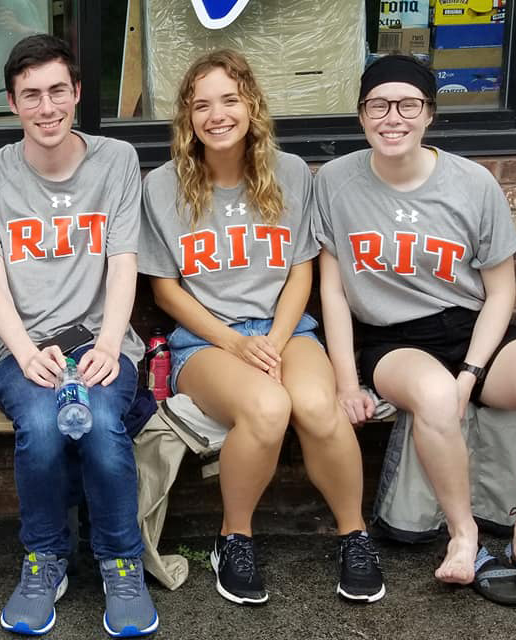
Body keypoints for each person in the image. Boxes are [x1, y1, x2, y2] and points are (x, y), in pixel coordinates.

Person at [316, 55, 516, 591]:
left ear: (430, 114)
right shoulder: (334, 181)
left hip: (469, 327)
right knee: (438, 398)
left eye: (408, 104)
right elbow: (332, 287)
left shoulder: (473, 183)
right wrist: (347, 380)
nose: (392, 117)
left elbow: (500, 290)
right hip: (391, 337)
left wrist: (471, 371)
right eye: (378, 105)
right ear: (361, 115)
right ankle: (463, 537)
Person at [139, 49, 385, 606]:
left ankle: (354, 535)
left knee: (319, 408)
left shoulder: (291, 172)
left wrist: (273, 340)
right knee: (269, 408)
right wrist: (236, 342)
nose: (217, 114)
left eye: (229, 99)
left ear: (251, 104)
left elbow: (303, 270)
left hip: (287, 331)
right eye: (202, 105)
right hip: (206, 341)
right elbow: (165, 291)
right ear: (187, 117)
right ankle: (235, 537)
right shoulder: (161, 186)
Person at [0, 34, 158, 637]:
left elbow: (124, 263)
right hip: (26, 346)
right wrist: (22, 353)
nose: (46, 108)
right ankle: (45, 558)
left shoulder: (117, 160)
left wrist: (107, 345)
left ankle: (121, 562)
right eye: (30, 96)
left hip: (104, 341)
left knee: (99, 424)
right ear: (13, 104)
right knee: (43, 427)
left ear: (75, 93)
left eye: (57, 92)